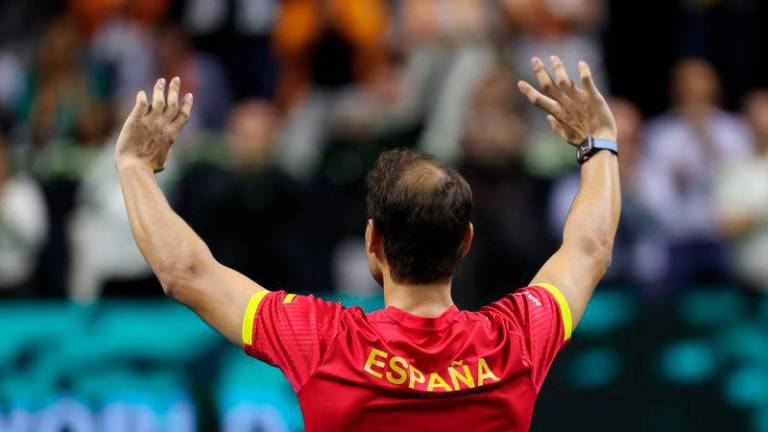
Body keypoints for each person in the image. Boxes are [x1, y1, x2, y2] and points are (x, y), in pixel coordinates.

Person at [114, 56, 620, 431]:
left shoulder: (326, 341)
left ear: (372, 242)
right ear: (465, 242)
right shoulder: (516, 342)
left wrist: (134, 167)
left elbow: (188, 274)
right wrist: (598, 140)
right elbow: (589, 249)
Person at [716, 90, 768, 292]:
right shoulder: (733, 168)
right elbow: (726, 224)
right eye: (756, 114)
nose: (762, 121)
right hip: (747, 288)